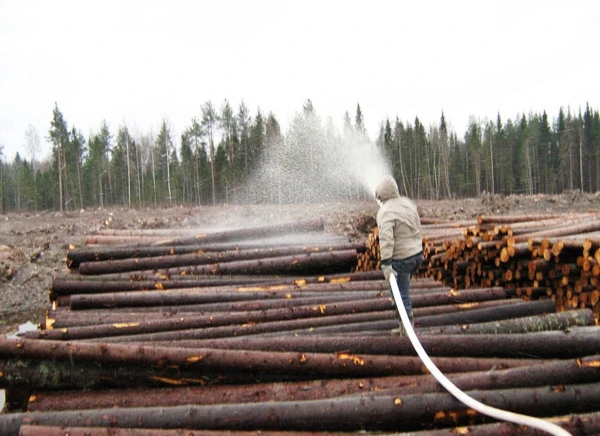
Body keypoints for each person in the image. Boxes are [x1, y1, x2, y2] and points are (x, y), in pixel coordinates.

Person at [375, 175, 424, 335]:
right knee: (401, 291)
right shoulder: (408, 204)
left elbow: (386, 239)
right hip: (417, 255)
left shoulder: (385, 212)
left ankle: (407, 332)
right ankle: (403, 325)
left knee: (401, 295)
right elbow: (417, 226)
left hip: (402, 259)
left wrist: (386, 264)